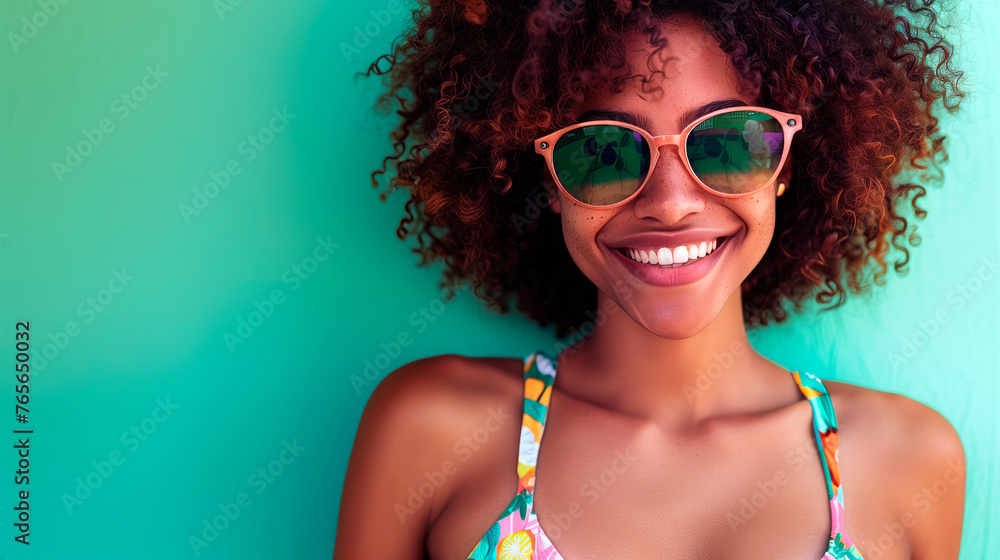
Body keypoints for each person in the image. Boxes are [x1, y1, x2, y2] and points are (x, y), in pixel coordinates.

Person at [335, 1, 967, 558]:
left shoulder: (912, 461)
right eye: (603, 151)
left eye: (727, 142)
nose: (670, 204)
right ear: (550, 184)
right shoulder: (432, 430)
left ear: (785, 166)